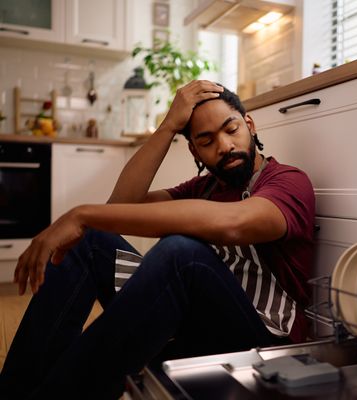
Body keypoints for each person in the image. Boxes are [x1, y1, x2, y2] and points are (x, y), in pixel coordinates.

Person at [0, 80, 316, 399]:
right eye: (206, 140)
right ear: (194, 150)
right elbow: (120, 208)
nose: (224, 145)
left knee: (183, 254)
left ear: (249, 124)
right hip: (196, 329)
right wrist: (166, 127)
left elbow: (235, 223)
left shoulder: (287, 181)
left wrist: (81, 214)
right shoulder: (203, 188)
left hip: (265, 339)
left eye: (231, 129)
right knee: (91, 241)